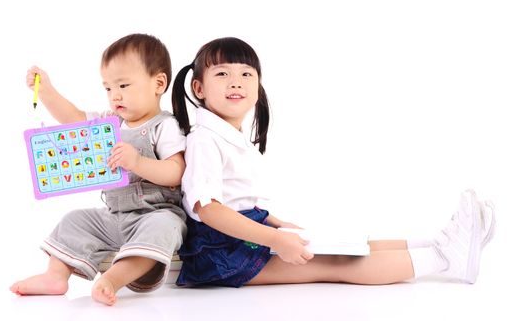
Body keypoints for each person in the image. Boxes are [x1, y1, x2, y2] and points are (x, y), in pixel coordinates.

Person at [171, 37, 496, 287]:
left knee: (348, 244)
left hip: (245, 234)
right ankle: (442, 259)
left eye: (246, 73)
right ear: (199, 88)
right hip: (222, 252)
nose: (236, 81)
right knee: (335, 264)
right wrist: (273, 239)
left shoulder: (227, 135)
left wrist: (273, 223)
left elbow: (235, 198)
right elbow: (207, 208)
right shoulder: (204, 138)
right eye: (223, 73)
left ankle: (442, 242)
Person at [11, 34, 187, 305]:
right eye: (107, 88)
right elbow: (75, 119)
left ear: (159, 83)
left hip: (154, 213)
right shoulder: (109, 122)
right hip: (114, 216)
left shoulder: (164, 126)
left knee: (166, 227)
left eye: (123, 85)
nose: (114, 95)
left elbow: (176, 171)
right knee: (74, 220)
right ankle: (56, 276)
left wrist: (138, 163)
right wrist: (46, 90)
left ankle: (112, 280)